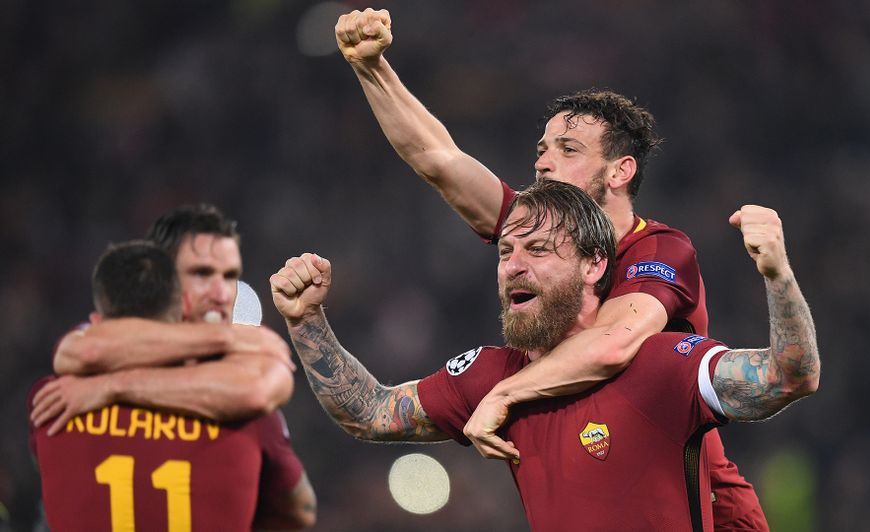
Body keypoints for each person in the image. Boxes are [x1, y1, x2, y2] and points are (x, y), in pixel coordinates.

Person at [335, 8, 766, 529]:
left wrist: (502, 394)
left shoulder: (658, 249)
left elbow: (612, 343)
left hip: (699, 507)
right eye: (542, 149)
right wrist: (372, 68)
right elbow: (438, 158)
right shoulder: (536, 232)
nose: (543, 162)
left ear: (619, 171)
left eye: (567, 149)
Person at [271, 180, 819, 531]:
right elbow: (368, 412)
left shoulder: (658, 364)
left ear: (594, 265)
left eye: (537, 250)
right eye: (506, 251)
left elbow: (789, 376)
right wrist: (305, 319)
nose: (513, 265)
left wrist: (777, 275)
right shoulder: (489, 374)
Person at [29, 240, 316, 531]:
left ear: (96, 321)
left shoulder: (52, 401)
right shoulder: (243, 411)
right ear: (183, 310)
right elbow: (300, 512)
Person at [32, 204, 295, 435]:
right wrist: (227, 337)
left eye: (229, 276)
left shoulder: (247, 358)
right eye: (201, 273)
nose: (222, 295)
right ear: (164, 276)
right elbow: (82, 352)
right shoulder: (246, 342)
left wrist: (110, 386)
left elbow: (259, 391)